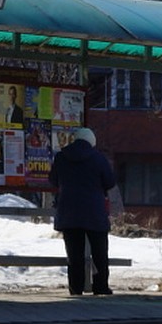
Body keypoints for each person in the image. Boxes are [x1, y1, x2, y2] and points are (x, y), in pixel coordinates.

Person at [49, 127, 115, 296]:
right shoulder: (99, 158)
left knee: (74, 255)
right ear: (91, 141)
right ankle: (100, 286)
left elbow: (53, 180)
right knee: (99, 252)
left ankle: (75, 288)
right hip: (94, 212)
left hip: (69, 212)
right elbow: (109, 182)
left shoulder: (61, 157)